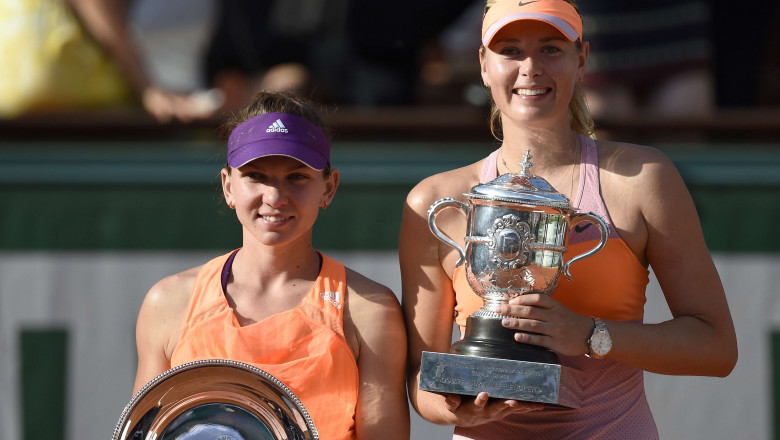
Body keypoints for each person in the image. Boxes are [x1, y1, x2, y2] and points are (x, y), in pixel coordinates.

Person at [399, 0, 737, 438]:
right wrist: (456, 409)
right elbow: (419, 376)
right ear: (483, 65)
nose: (530, 67)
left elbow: (716, 347)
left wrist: (591, 335)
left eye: (551, 49)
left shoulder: (642, 179)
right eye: (511, 50)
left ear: (582, 61)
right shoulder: (433, 200)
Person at [133, 90, 410, 440]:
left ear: (329, 188)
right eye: (256, 176)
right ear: (228, 186)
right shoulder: (168, 302)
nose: (275, 197)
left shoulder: (369, 309)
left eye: (297, 177)